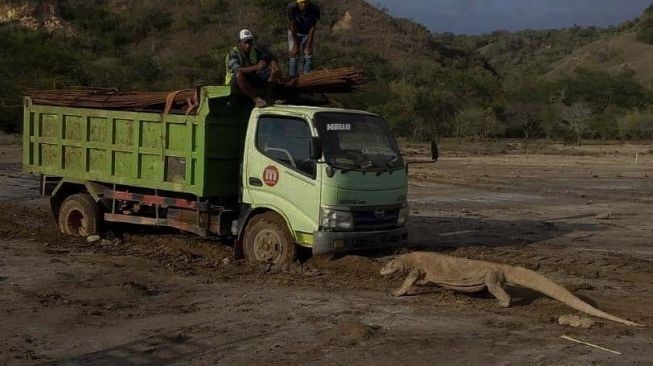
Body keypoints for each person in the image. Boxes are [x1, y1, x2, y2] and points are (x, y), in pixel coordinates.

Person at [225, 29, 281, 107]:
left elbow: (269, 57)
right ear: (239, 43)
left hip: (250, 79)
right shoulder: (233, 53)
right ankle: (256, 99)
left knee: (272, 71)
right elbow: (237, 69)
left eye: (250, 42)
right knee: (239, 74)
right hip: (235, 83)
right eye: (245, 42)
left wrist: (274, 65)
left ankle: (268, 97)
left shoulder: (254, 51)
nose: (248, 44)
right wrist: (256, 67)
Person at [287, 0, 320, 78]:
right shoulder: (291, 7)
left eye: (306, 2)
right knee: (294, 55)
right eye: (302, 2)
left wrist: (308, 45)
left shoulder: (314, 8)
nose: (304, 4)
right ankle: (293, 78)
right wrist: (295, 45)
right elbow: (292, 26)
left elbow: (313, 27)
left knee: (308, 54)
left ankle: (306, 78)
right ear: (298, 2)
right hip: (294, 32)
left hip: (307, 32)